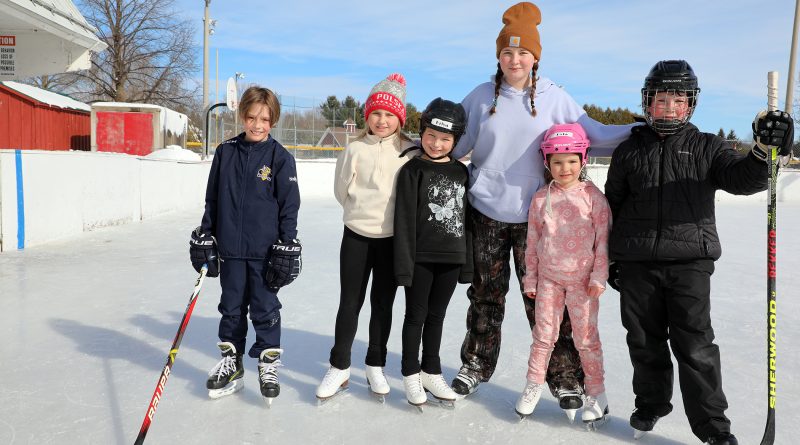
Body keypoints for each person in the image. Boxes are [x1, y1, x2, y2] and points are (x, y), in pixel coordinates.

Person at [450, 1, 634, 416]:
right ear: (498, 57)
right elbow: (455, 145)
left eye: (523, 53)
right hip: (486, 213)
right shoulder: (481, 96)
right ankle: (475, 364)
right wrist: (413, 151)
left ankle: (565, 378)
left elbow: (596, 136)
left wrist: (639, 130)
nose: (515, 60)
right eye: (507, 53)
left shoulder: (554, 96)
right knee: (485, 295)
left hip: (539, 219)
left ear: (536, 57)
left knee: (548, 305)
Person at [604, 59, 794, 445]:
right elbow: (613, 206)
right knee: (643, 339)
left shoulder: (708, 146)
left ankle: (712, 426)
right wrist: (612, 257)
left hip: (689, 262)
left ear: (690, 104)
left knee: (694, 343)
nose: (669, 108)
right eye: (661, 100)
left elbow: (742, 180)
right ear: (647, 103)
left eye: (678, 100)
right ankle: (652, 403)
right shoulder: (629, 152)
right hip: (637, 262)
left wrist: (764, 151)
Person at [189, 86, 301, 404]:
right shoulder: (225, 152)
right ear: (242, 116)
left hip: (265, 251)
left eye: (264, 119)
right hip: (230, 251)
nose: (257, 124)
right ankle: (232, 364)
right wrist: (207, 234)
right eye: (251, 117)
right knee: (232, 310)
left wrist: (287, 243)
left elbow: (289, 206)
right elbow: (212, 198)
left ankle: (267, 363)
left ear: (273, 120)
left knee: (265, 310)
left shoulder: (281, 158)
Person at [316, 73, 417, 401]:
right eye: (376, 113)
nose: (382, 120)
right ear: (367, 116)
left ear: (399, 118)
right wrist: (359, 215)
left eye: (390, 115)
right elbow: (341, 190)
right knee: (350, 301)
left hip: (392, 240)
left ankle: (375, 363)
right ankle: (340, 365)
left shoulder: (410, 151)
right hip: (357, 237)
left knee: (382, 304)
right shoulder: (354, 148)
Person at [514, 123, 610, 427]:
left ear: (583, 160)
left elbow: (603, 241)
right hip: (549, 280)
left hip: (583, 282)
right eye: (557, 161)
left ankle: (597, 393)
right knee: (543, 336)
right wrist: (531, 278)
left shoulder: (594, 197)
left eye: (571, 160)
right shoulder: (542, 198)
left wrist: (598, 276)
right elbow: (532, 241)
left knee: (585, 339)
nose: (564, 167)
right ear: (547, 163)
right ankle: (533, 385)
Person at [393, 98, 473, 408]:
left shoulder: (461, 173)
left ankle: (431, 370)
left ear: (455, 140)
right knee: (416, 316)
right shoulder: (412, 170)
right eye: (430, 136)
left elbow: (466, 221)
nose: (436, 144)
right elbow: (403, 220)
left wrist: (467, 264)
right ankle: (411, 374)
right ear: (422, 132)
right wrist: (403, 265)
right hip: (420, 258)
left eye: (445, 139)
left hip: (451, 258)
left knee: (437, 317)